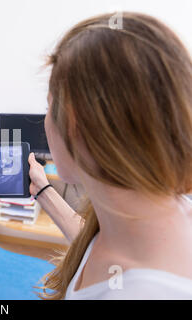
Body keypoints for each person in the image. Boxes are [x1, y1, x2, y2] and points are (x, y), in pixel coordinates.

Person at [27, 12, 192, 299]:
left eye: (48, 106)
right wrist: (43, 191)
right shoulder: (160, 208)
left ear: (73, 122)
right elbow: (96, 243)